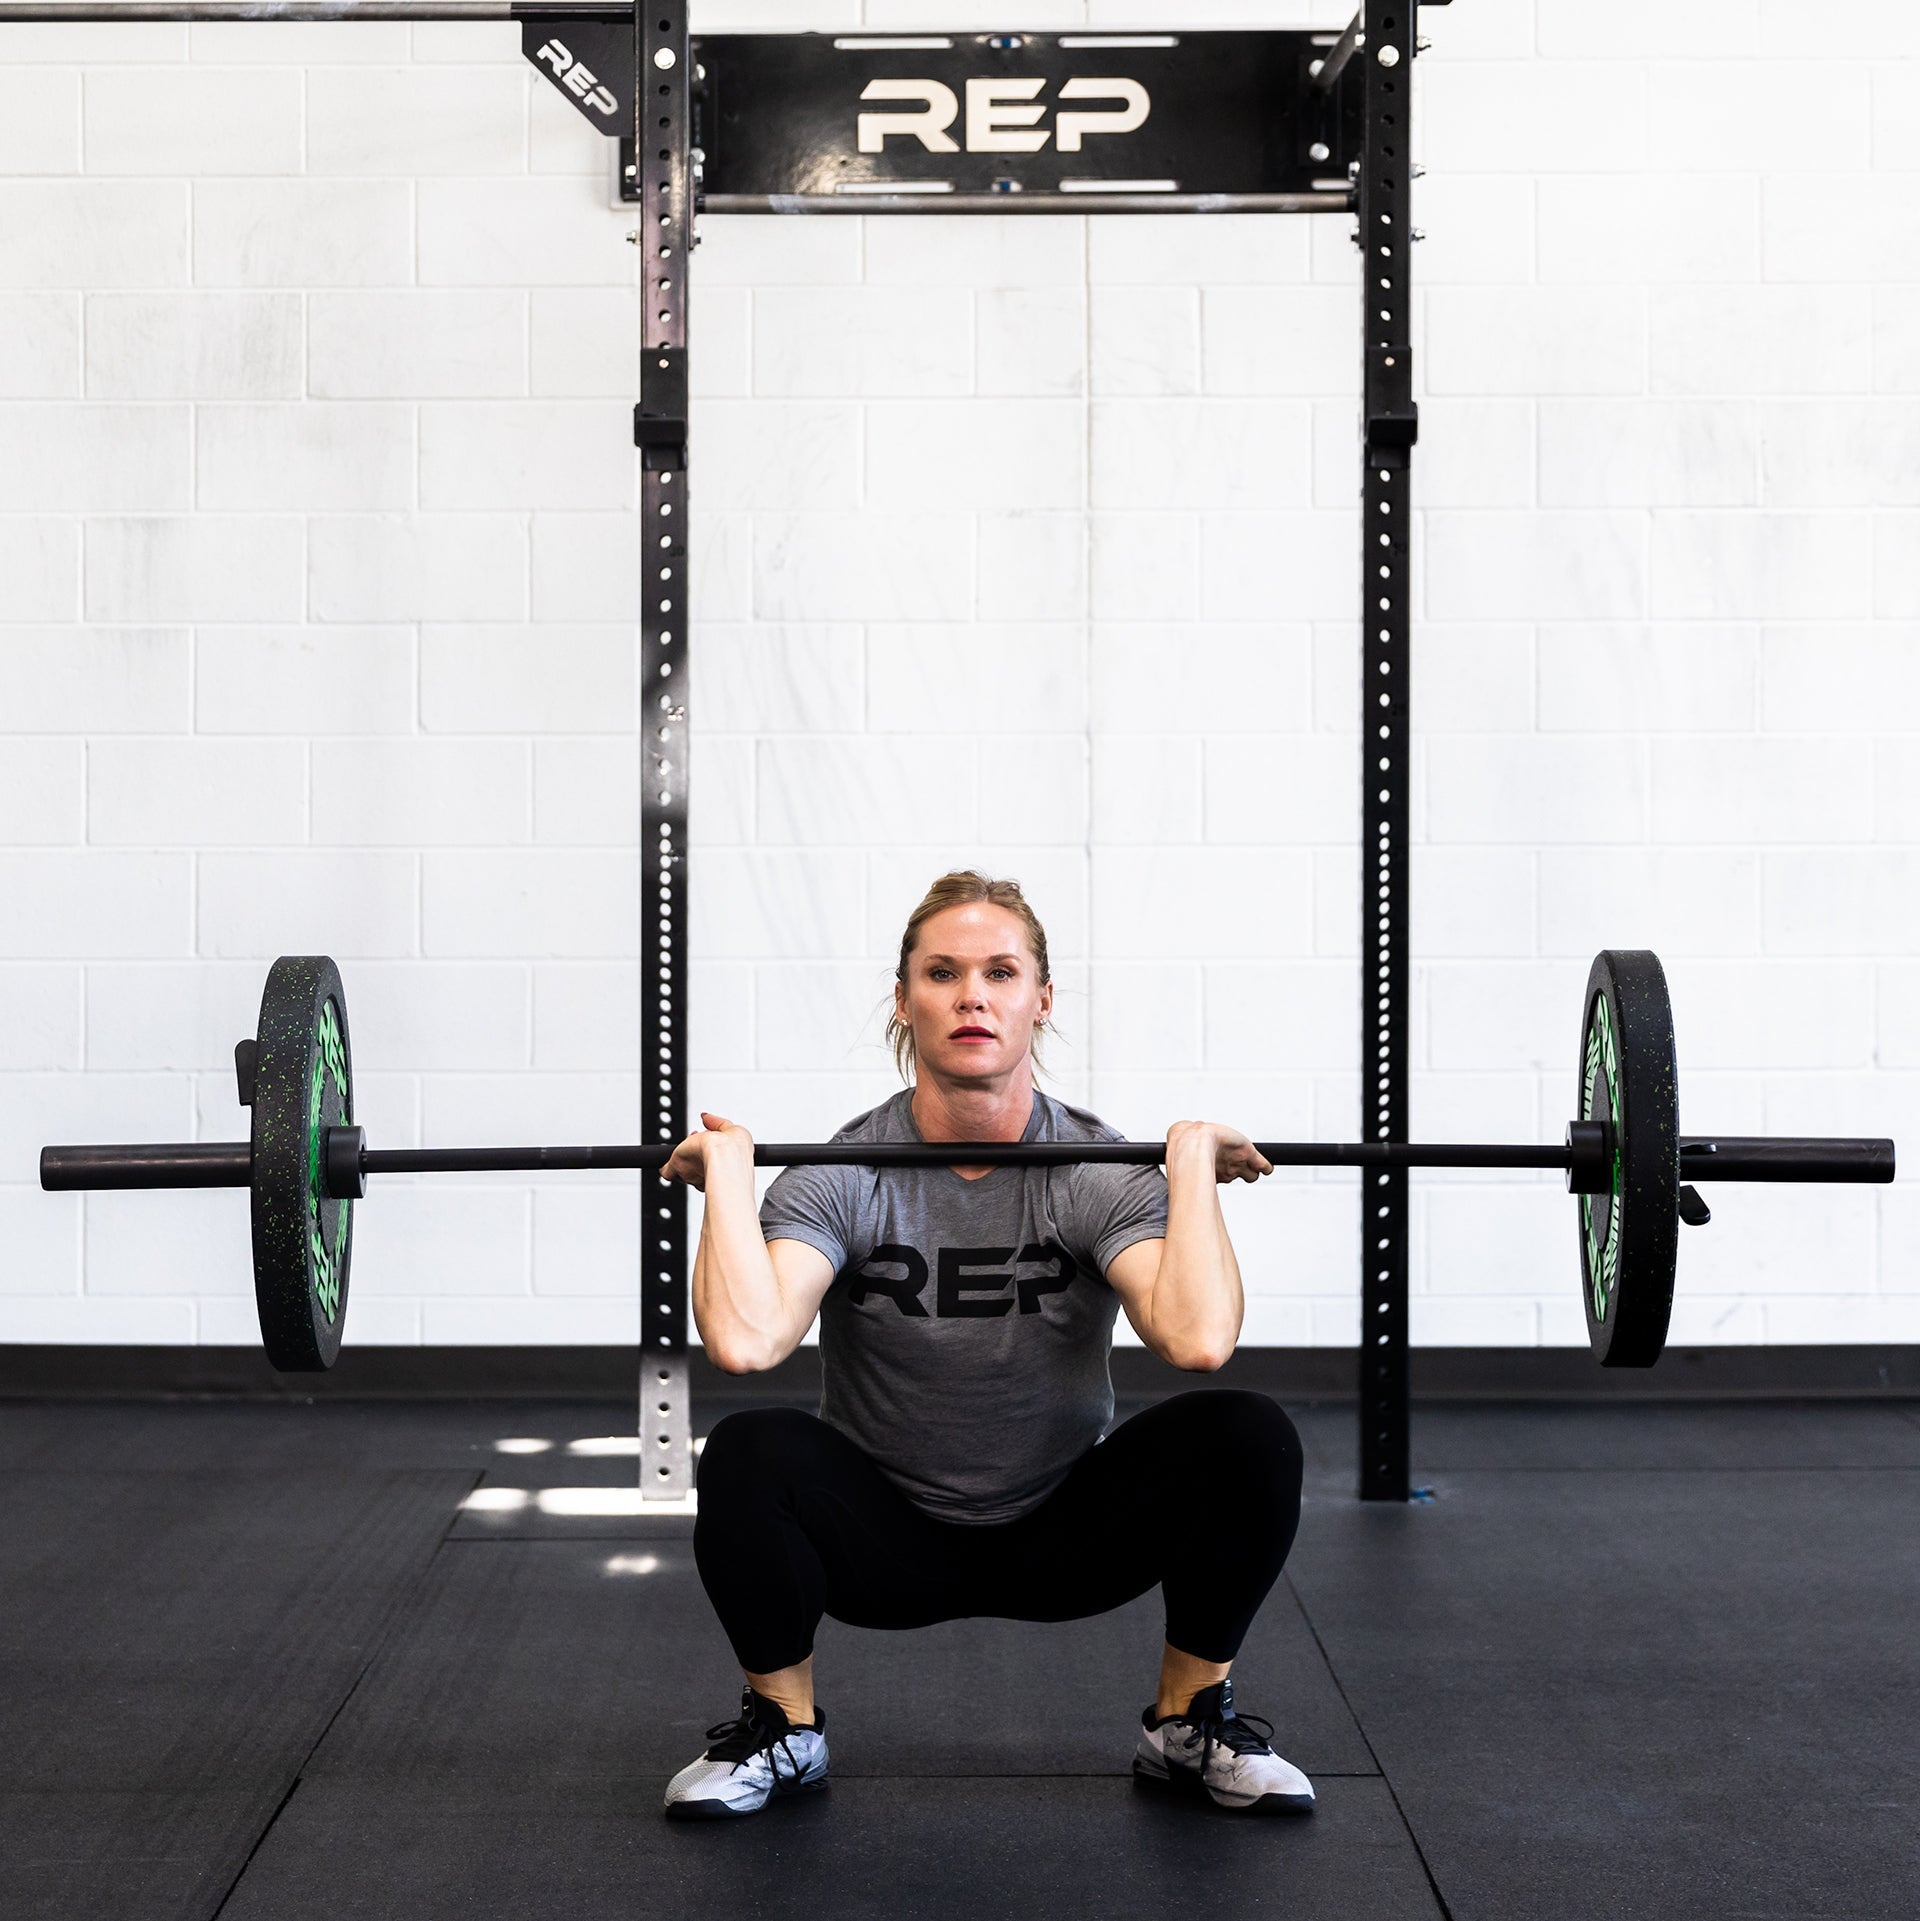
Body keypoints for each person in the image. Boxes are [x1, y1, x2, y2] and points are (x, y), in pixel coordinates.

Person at [658, 870, 1309, 1821]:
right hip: (883, 1539)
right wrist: (725, 1175)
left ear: (1039, 1000)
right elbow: (749, 1341)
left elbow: (1198, 1339)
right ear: (904, 999)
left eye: (1001, 971)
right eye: (943, 971)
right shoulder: (845, 1173)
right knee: (753, 1448)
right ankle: (783, 1728)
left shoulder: (1090, 1166)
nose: (972, 994)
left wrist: (1190, 1165)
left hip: (1066, 1530)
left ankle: (1186, 1722)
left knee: (1247, 1432)